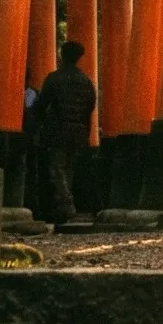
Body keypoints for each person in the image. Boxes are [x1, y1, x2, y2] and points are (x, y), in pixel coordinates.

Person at [34, 40, 99, 223]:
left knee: (56, 167)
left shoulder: (55, 78)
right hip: (78, 129)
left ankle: (66, 204)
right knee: (68, 167)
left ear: (62, 55)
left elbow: (41, 104)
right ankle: (63, 207)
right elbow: (90, 107)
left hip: (57, 129)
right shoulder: (86, 81)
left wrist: (39, 123)